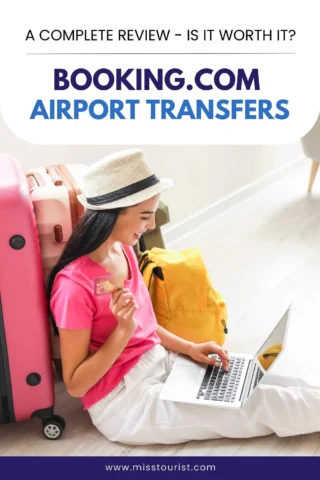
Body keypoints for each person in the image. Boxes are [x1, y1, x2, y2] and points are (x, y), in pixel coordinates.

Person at [48, 149, 320, 445]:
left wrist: (190, 348)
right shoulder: (73, 286)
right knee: (259, 404)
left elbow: (147, 327)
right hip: (126, 402)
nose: (151, 225)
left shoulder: (123, 250)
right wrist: (123, 332)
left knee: (260, 378)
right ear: (111, 216)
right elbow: (75, 385)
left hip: (162, 362)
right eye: (144, 216)